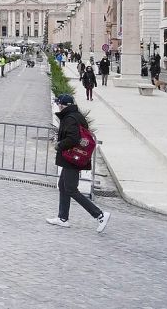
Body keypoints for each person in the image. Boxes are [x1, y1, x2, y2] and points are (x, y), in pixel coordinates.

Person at [47, 94, 111, 233]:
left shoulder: (70, 118)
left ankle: (99, 215)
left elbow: (73, 138)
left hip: (72, 159)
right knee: (63, 186)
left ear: (63, 105)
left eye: (59, 104)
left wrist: (59, 145)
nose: (58, 106)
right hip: (73, 158)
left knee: (71, 189)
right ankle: (63, 218)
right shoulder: (76, 115)